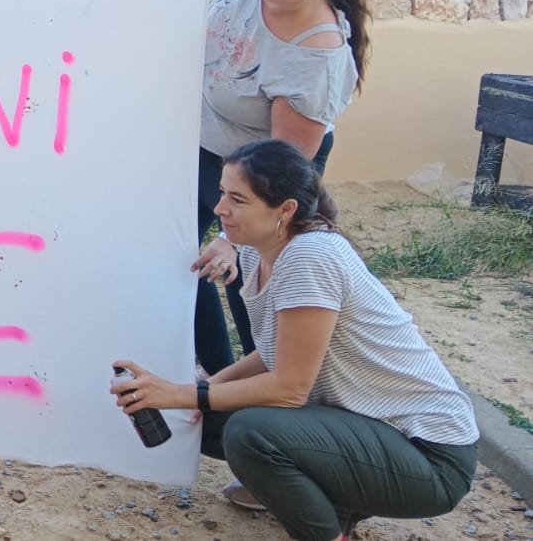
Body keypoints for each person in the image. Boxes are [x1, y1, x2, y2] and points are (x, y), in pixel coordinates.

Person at [117, 139, 478, 541]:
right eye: (221, 193)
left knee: (251, 432)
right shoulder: (258, 252)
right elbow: (272, 353)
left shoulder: (311, 256)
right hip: (372, 431)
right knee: (215, 418)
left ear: (285, 210)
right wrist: (204, 389)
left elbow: (290, 388)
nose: (220, 209)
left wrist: (182, 394)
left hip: (431, 457)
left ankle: (327, 532)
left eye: (237, 199)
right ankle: (325, 498)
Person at [194, 0, 371, 376]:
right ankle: (215, 378)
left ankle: (273, 384)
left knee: (250, 273)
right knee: (180, 260)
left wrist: (233, 235)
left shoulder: (312, 53)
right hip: (208, 146)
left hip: (272, 165)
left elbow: (283, 160)